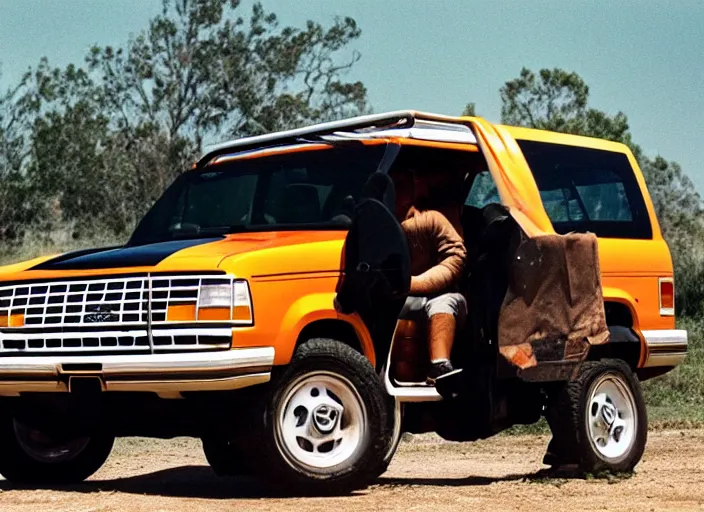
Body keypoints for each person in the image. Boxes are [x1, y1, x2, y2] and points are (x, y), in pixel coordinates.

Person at [392, 167, 468, 383]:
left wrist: (414, 283)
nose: (397, 192)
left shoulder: (432, 219)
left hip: (437, 296)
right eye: (393, 186)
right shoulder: (379, 225)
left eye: (403, 186)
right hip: (395, 297)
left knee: (443, 303)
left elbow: (455, 258)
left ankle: (440, 366)